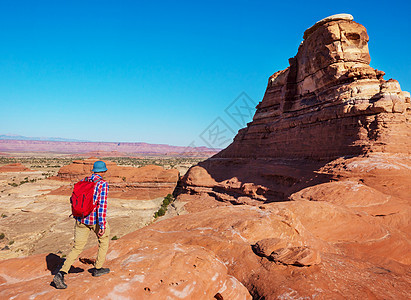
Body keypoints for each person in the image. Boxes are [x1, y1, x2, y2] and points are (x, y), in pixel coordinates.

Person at [53, 160, 111, 289]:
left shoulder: (83, 181)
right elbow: (101, 206)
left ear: (93, 170)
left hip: (80, 219)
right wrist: (101, 225)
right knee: (104, 240)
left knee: (77, 247)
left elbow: (73, 199)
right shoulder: (102, 184)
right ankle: (98, 269)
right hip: (94, 220)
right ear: (104, 171)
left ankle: (61, 273)